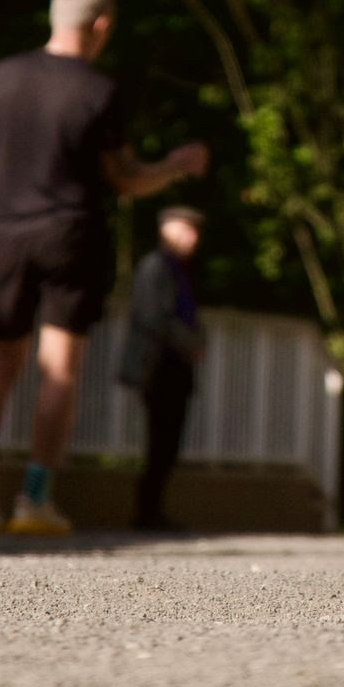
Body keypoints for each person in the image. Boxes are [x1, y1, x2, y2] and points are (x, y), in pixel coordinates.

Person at [0, 0, 207, 537]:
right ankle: (33, 501)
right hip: (70, 232)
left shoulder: (0, 77)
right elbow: (125, 178)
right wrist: (175, 166)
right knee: (59, 370)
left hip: (5, 231)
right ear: (102, 25)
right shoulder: (97, 90)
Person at [119, 205, 206, 532]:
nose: (193, 238)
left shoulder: (181, 270)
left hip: (175, 369)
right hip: (158, 368)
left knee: (168, 443)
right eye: (186, 229)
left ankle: (153, 511)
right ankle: (146, 512)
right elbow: (154, 319)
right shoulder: (155, 267)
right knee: (159, 442)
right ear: (165, 229)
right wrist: (190, 343)